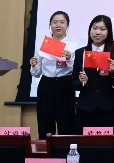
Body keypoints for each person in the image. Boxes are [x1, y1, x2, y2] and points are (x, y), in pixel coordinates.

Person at [72, 15, 114, 133]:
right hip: (86, 107)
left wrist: (113, 72)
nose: (98, 32)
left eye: (102, 29)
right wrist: (82, 81)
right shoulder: (80, 53)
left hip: (107, 107)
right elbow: (74, 83)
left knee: (106, 142)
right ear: (90, 30)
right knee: (85, 142)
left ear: (108, 32)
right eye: (94, 28)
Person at [30, 11, 76, 139]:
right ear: (50, 25)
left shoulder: (73, 46)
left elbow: (76, 71)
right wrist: (33, 65)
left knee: (66, 122)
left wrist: (69, 58)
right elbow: (36, 73)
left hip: (65, 85)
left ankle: (65, 149)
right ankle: (46, 149)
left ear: (67, 25)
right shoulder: (43, 45)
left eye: (62, 22)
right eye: (55, 22)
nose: (58, 25)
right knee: (45, 122)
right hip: (46, 84)